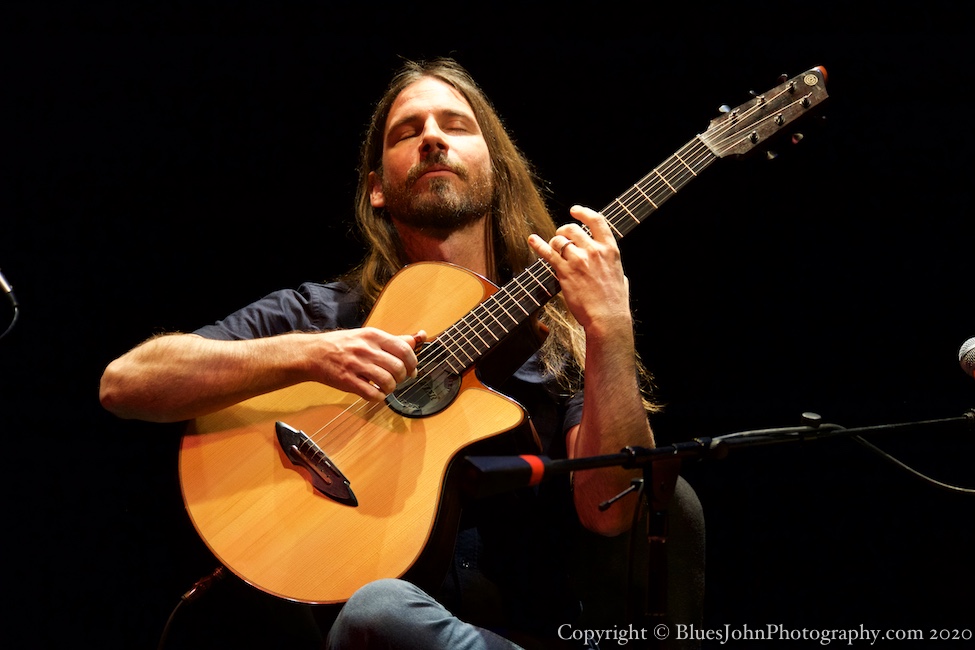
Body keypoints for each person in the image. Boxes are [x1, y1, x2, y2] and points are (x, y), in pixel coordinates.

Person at [100, 58, 703, 649]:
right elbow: (125, 384)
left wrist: (612, 330)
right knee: (370, 614)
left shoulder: (563, 346)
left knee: (385, 611)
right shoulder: (323, 317)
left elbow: (611, 512)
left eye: (456, 125)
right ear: (377, 190)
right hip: (360, 631)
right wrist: (310, 356)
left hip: (526, 630)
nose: (433, 139)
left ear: (496, 169)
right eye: (407, 132)